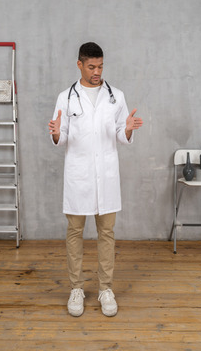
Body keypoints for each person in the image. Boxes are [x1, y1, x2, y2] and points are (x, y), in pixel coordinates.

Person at [48, 42, 143, 317]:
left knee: (107, 234)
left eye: (100, 66)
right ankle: (76, 288)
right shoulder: (65, 97)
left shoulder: (116, 96)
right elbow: (61, 136)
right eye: (91, 67)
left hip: (107, 177)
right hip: (78, 177)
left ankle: (105, 289)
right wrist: (55, 133)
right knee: (75, 233)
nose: (97, 72)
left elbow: (121, 136)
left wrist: (125, 129)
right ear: (79, 64)